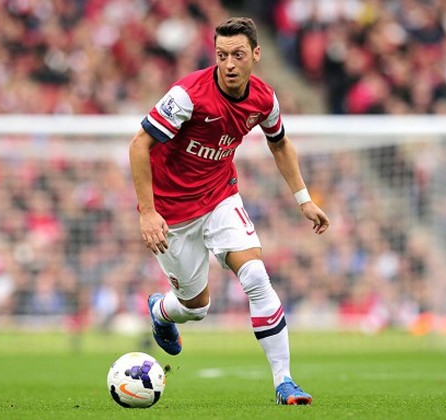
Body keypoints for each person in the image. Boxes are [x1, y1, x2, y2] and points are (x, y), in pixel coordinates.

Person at [128, 17, 330, 405]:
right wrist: (147, 212)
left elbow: (280, 143)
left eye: (238, 55)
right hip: (173, 213)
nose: (229, 64)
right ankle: (162, 311)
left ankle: (284, 382)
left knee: (255, 275)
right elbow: (139, 144)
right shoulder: (187, 96)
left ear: (256, 54)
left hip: (220, 197)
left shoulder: (264, 99)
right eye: (222, 55)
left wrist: (303, 199)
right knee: (196, 308)